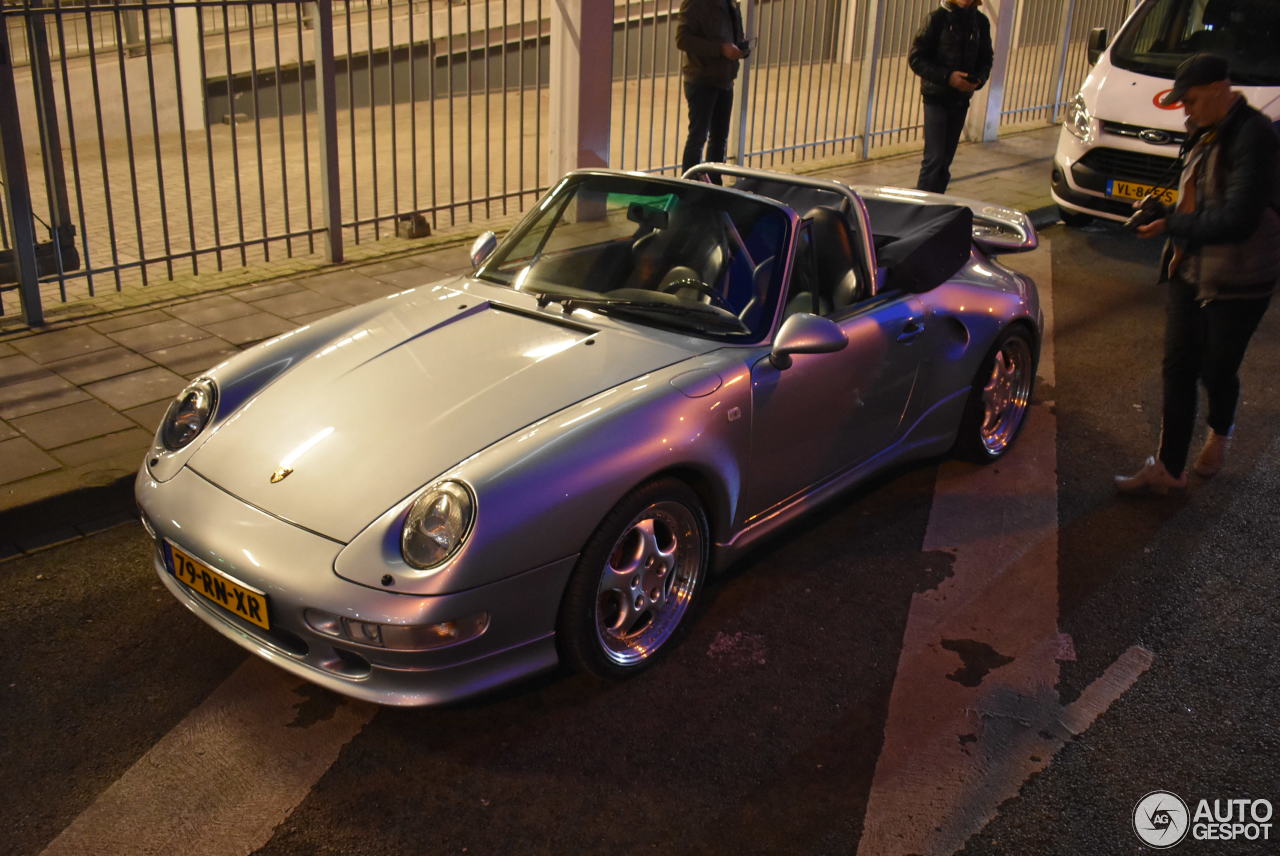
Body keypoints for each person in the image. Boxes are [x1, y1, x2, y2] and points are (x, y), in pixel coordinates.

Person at [1115, 53, 1280, 494]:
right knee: (1178, 367)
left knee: (1217, 369)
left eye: (1189, 100)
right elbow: (1198, 203)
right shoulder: (1205, 133)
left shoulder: (1254, 137)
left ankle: (1221, 432)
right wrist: (1165, 211)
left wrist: (1172, 224)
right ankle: (1169, 469)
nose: (1185, 110)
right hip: (1190, 268)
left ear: (1217, 90)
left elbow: (1239, 219)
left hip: (1240, 279)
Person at [908, 0, 993, 194]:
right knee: (934, 158)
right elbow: (916, 59)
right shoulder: (936, 19)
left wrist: (978, 79)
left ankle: (937, 205)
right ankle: (921, 209)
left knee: (945, 160)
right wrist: (948, 77)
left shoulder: (980, 22)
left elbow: (986, 58)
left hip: (961, 98)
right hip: (936, 97)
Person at [676, 0, 747, 177]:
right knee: (698, 137)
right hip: (702, 79)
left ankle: (714, 186)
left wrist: (740, 48)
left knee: (719, 138)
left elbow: (734, 34)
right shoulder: (695, 3)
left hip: (725, 79)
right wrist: (721, 49)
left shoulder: (729, 4)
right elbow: (682, 39)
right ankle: (689, 186)